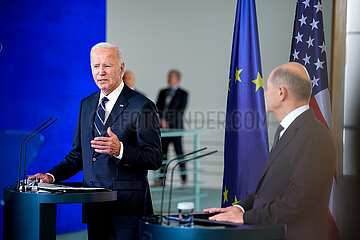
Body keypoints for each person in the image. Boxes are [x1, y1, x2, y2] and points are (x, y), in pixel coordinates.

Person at [29, 42, 162, 240]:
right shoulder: (87, 104)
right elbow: (79, 154)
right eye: (96, 66)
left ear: (121, 68)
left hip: (127, 211)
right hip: (95, 208)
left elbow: (155, 158)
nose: (101, 72)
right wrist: (51, 176)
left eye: (107, 66)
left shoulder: (142, 106)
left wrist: (120, 150)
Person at [204, 62, 335, 240]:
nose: (264, 94)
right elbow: (270, 190)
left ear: (281, 93)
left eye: (268, 89)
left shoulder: (312, 134)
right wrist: (241, 208)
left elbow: (297, 201)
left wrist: (245, 217)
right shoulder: (287, 130)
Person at [155, 70, 188, 186]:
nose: (168, 79)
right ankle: (160, 180)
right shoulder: (162, 92)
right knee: (163, 153)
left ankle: (184, 179)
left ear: (177, 79)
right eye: (168, 77)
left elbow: (180, 111)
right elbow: (157, 107)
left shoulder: (183, 94)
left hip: (176, 128)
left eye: (171, 77)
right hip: (163, 129)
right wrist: (160, 120)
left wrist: (167, 121)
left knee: (179, 153)